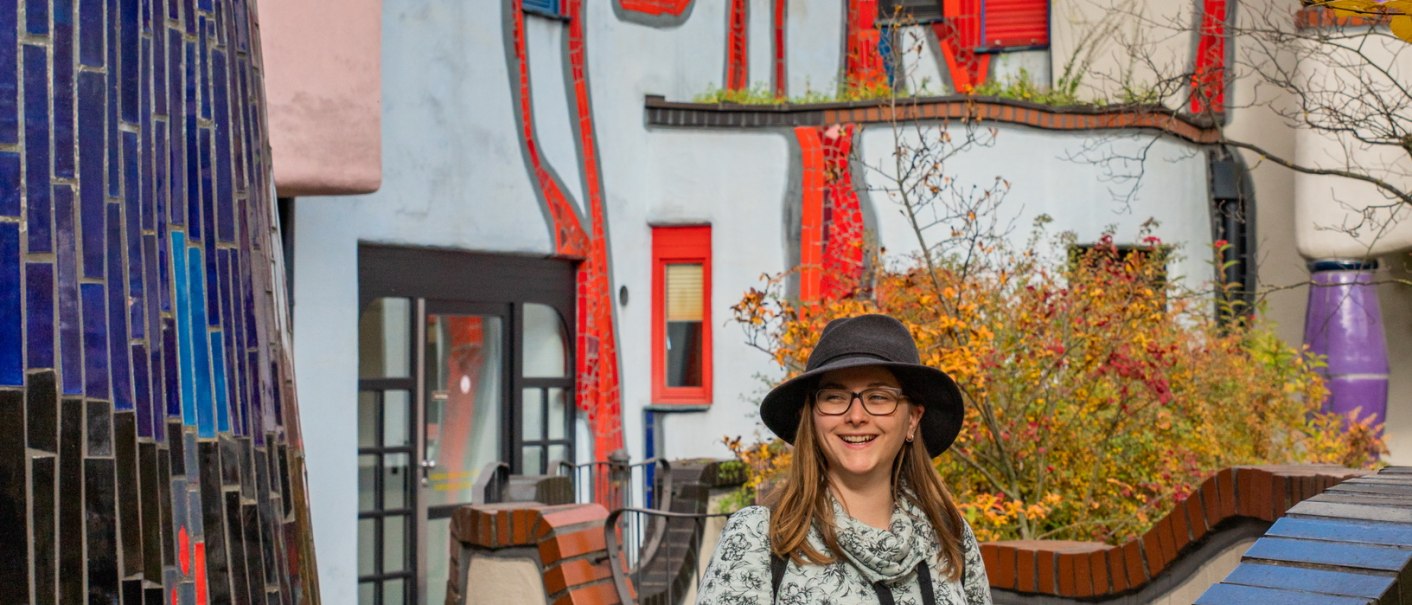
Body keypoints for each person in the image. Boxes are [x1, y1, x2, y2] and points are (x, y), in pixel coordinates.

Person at [697, 314, 992, 604]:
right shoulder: (760, 539)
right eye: (834, 397)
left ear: (913, 419)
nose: (856, 416)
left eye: (878, 397)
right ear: (810, 418)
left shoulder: (951, 537)